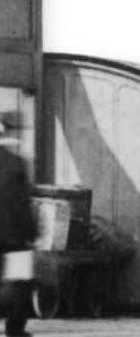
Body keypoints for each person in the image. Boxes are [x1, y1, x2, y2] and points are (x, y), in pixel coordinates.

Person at [0, 111, 38, 337]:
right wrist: (32, 233)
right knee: (21, 284)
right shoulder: (17, 164)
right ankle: (15, 330)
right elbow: (24, 203)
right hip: (16, 237)